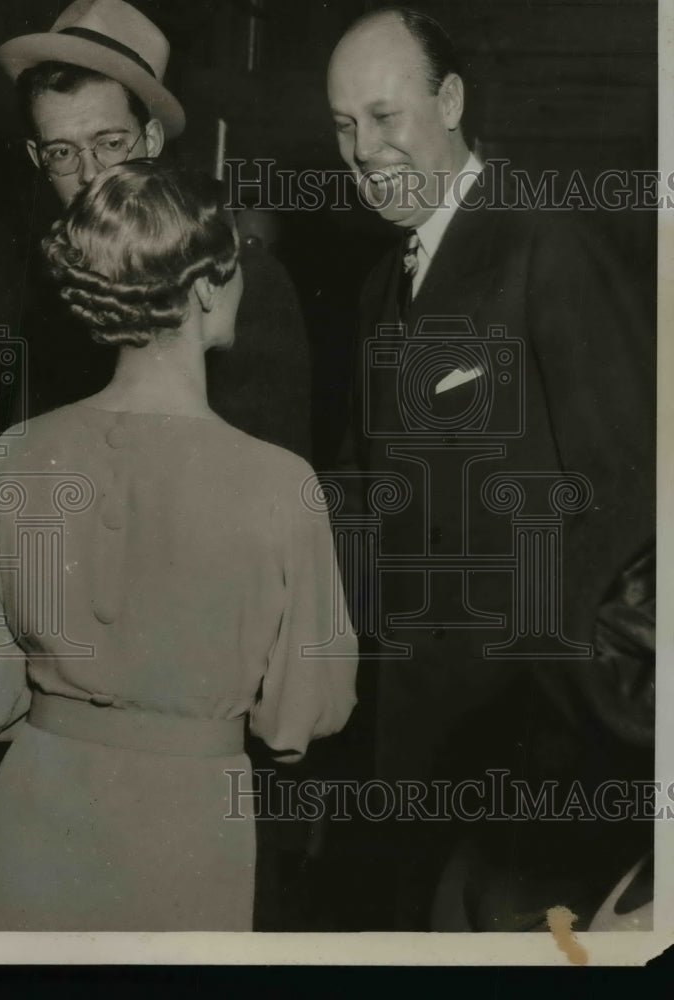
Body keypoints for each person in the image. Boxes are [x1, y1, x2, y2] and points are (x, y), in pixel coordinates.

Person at [325, 7, 655, 930]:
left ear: (451, 102)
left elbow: (635, 503)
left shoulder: (547, 246)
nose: (364, 150)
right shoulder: (379, 286)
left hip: (533, 762)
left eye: (384, 117)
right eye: (344, 126)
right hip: (414, 741)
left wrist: (593, 714)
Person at [0, 160, 357, 931]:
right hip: (188, 822)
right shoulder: (280, 482)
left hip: (32, 807)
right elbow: (300, 714)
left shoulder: (17, 453)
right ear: (207, 287)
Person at [0, 0, 312, 458]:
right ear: (36, 158)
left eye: (110, 143)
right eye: (61, 152)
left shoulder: (238, 278)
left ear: (153, 141)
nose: (90, 175)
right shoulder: (41, 293)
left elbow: (272, 478)